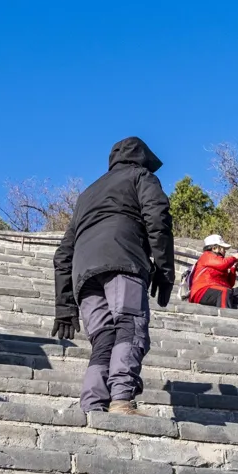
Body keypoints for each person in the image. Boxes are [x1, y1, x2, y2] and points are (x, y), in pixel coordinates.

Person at [52, 137, 174, 416]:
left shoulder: (87, 194)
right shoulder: (141, 176)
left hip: (83, 274)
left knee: (103, 337)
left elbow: (63, 254)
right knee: (130, 325)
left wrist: (65, 307)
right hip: (123, 261)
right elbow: (158, 219)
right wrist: (165, 270)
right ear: (143, 158)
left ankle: (92, 404)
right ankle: (121, 399)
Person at [188, 234, 238, 309]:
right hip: (202, 291)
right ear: (214, 248)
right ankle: (225, 311)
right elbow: (222, 264)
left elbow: (229, 284)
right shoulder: (206, 256)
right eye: (223, 248)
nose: (225, 251)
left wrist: (233, 267)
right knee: (224, 291)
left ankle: (230, 304)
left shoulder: (220, 261)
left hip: (218, 290)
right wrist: (233, 258)